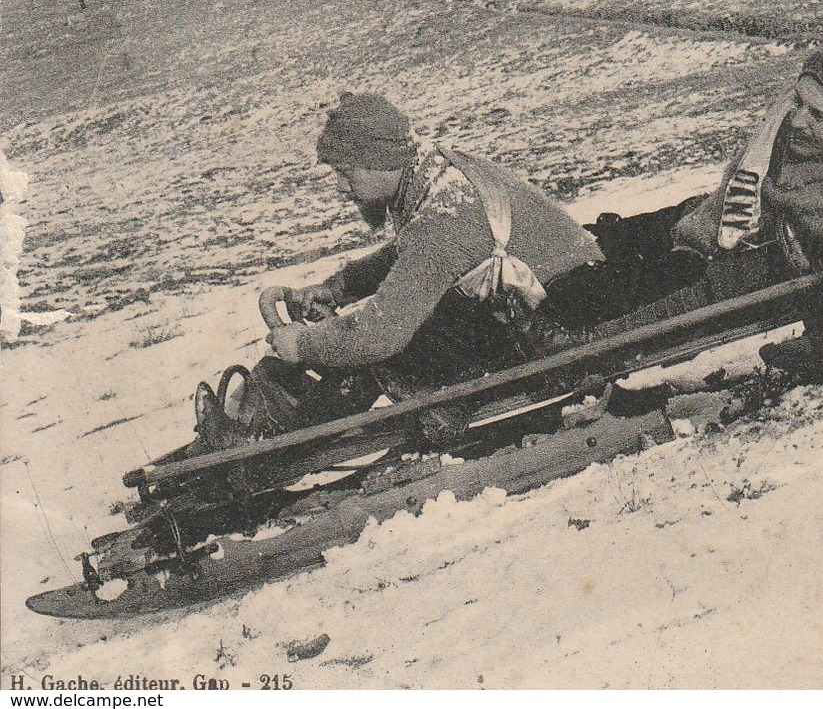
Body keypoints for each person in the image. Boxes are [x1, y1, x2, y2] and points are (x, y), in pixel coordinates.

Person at [193, 92, 607, 448]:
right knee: (367, 335)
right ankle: (261, 419)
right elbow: (410, 252)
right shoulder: (434, 174)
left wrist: (302, 346)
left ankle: (266, 440)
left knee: (374, 354)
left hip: (561, 319)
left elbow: (379, 334)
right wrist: (339, 288)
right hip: (549, 297)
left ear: (377, 161)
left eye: (345, 172)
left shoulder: (445, 217)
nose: (341, 186)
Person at [672, 42, 823, 387]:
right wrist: (689, 238)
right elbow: (733, 192)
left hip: (727, 274)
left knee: (603, 314)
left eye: (818, 115)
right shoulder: (792, 137)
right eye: (798, 102)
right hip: (702, 233)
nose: (799, 120)